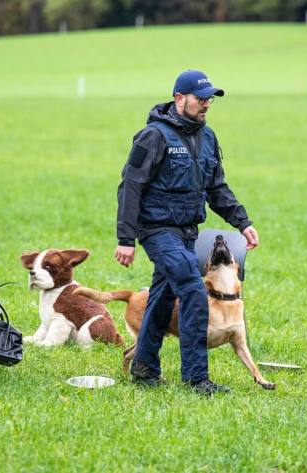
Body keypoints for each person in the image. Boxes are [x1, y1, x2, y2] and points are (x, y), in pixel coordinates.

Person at [115, 70, 259, 394]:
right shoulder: (152, 136)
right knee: (193, 289)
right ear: (179, 99)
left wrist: (243, 222)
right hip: (156, 229)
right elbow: (130, 187)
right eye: (200, 98)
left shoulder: (208, 138)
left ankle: (143, 367)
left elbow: (217, 187)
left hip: (187, 231)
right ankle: (197, 378)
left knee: (163, 296)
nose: (206, 104)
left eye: (210, 98)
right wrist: (125, 239)